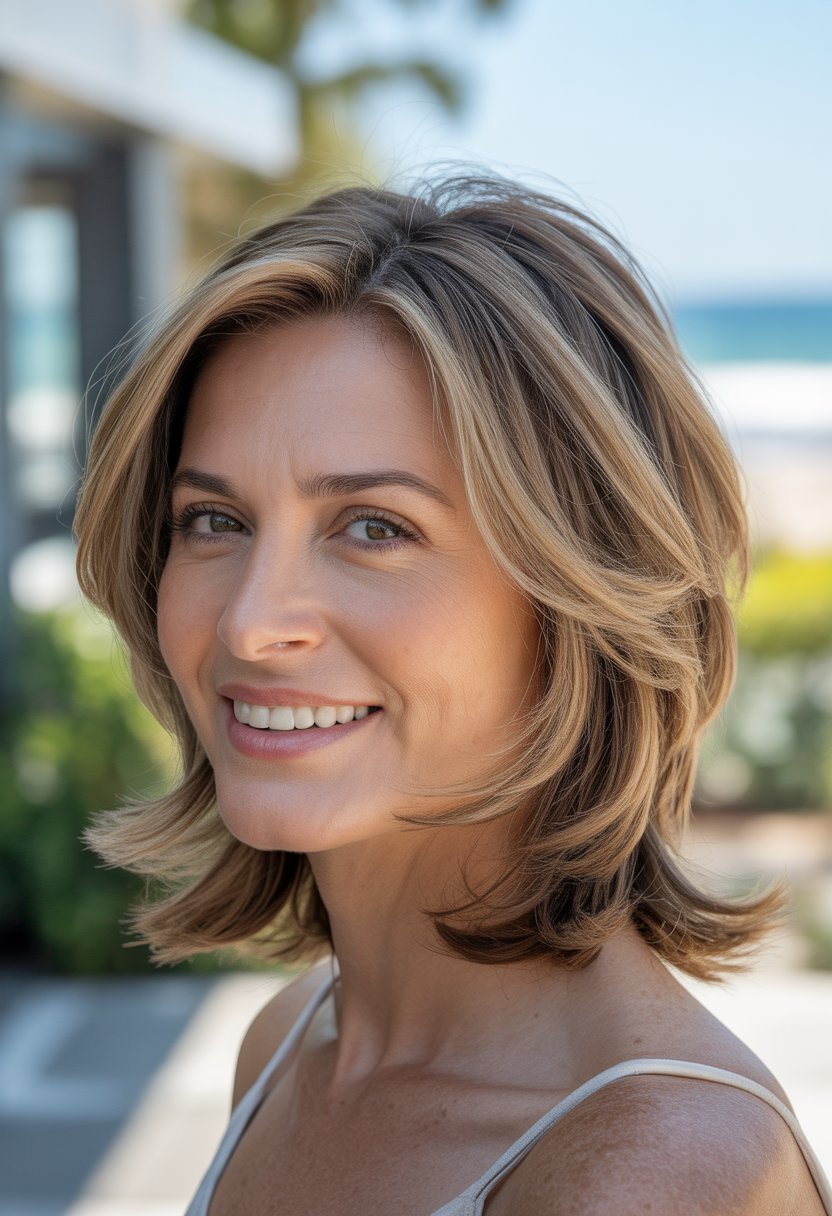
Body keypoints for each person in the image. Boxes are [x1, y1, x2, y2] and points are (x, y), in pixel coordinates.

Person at [74, 177, 832, 1215]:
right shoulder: (290, 1044)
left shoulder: (646, 1176)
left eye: (374, 528)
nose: (252, 621)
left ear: (573, 598)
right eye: (214, 519)